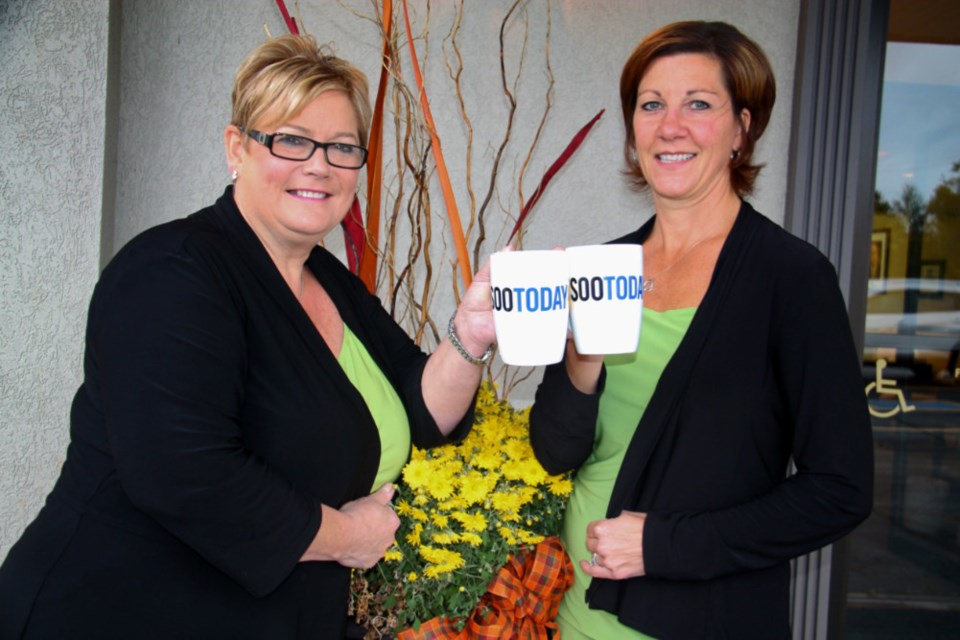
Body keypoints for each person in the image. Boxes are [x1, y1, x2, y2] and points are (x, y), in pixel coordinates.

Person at [0, 34, 495, 639]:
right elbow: (186, 474)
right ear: (237, 147)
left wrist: (471, 334)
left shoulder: (327, 279)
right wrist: (349, 538)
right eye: (291, 139)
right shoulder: (171, 271)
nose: (319, 164)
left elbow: (420, 408)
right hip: (116, 612)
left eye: (341, 147)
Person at [529, 20, 873, 639]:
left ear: (743, 127)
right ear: (633, 129)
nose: (671, 125)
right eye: (652, 104)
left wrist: (663, 545)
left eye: (699, 104)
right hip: (573, 612)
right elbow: (558, 452)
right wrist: (580, 360)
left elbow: (840, 490)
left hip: (698, 620)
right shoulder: (601, 267)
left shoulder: (791, 279)